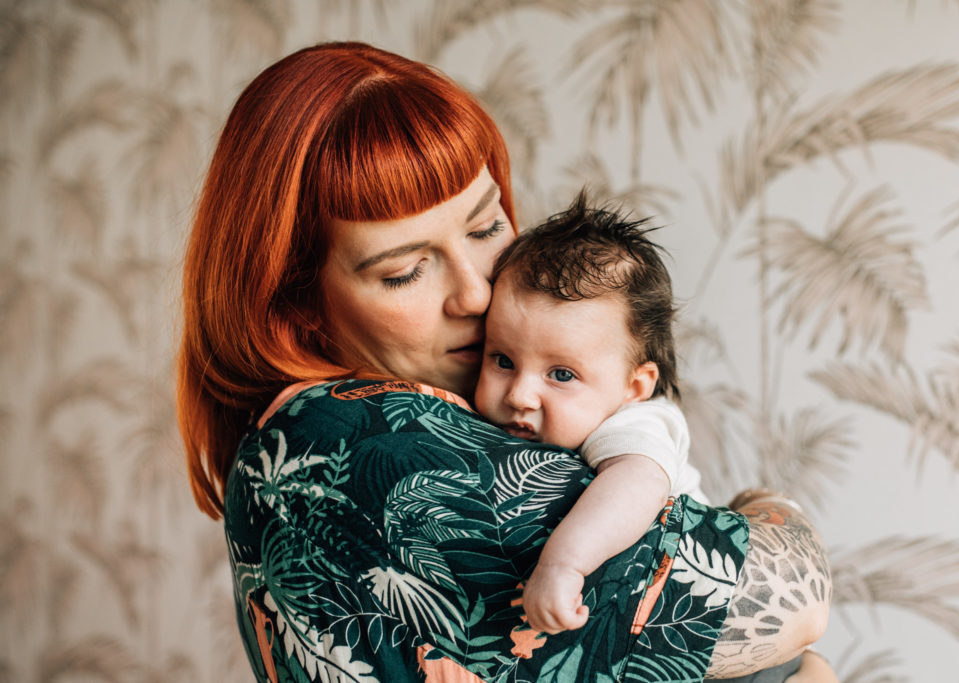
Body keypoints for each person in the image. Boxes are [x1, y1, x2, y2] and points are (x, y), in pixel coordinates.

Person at [177, 41, 834, 682]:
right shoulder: (375, 442)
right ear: (299, 308)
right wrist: (769, 507)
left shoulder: (287, 438)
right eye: (406, 272)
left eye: (487, 227)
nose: (476, 291)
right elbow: (792, 600)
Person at [474, 196, 833, 682]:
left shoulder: (636, 423)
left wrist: (563, 566)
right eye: (502, 360)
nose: (520, 394)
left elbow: (636, 484)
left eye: (560, 374)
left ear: (635, 385)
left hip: (733, 664)